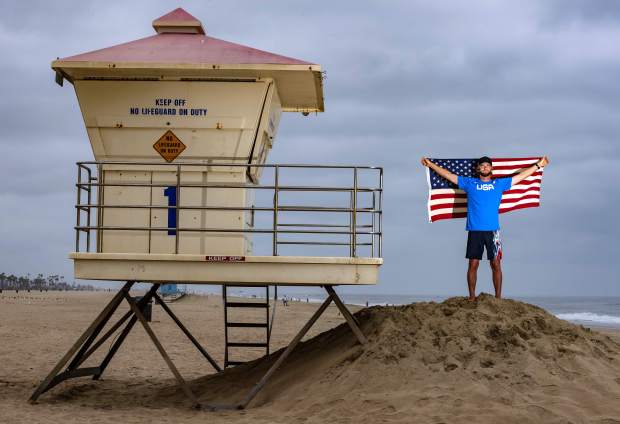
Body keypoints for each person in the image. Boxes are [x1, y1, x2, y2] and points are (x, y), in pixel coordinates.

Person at [421, 155, 549, 300]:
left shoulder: (499, 184)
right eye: (482, 166)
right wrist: (431, 165)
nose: (485, 168)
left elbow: (520, 176)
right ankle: (472, 297)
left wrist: (539, 165)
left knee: (495, 264)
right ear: (478, 169)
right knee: (473, 264)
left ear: (491, 169)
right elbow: (449, 176)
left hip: (493, 231)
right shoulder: (469, 183)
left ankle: (498, 298)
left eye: (487, 166)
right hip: (475, 230)